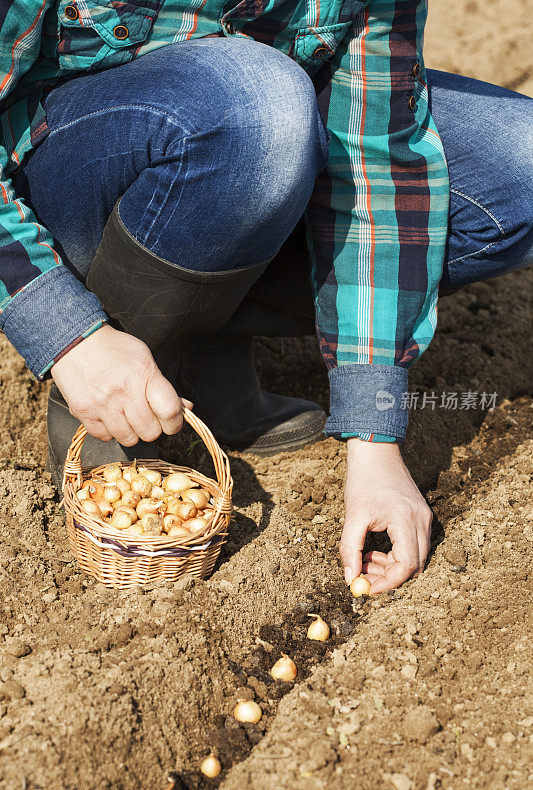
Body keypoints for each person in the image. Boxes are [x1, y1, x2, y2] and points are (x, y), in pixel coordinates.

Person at [0, 1, 531, 594]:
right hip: (65, 161)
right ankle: (107, 381)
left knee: (521, 160)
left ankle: (200, 342)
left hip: (246, 143)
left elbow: (377, 164)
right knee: (259, 105)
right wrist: (70, 336)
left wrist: (374, 442)